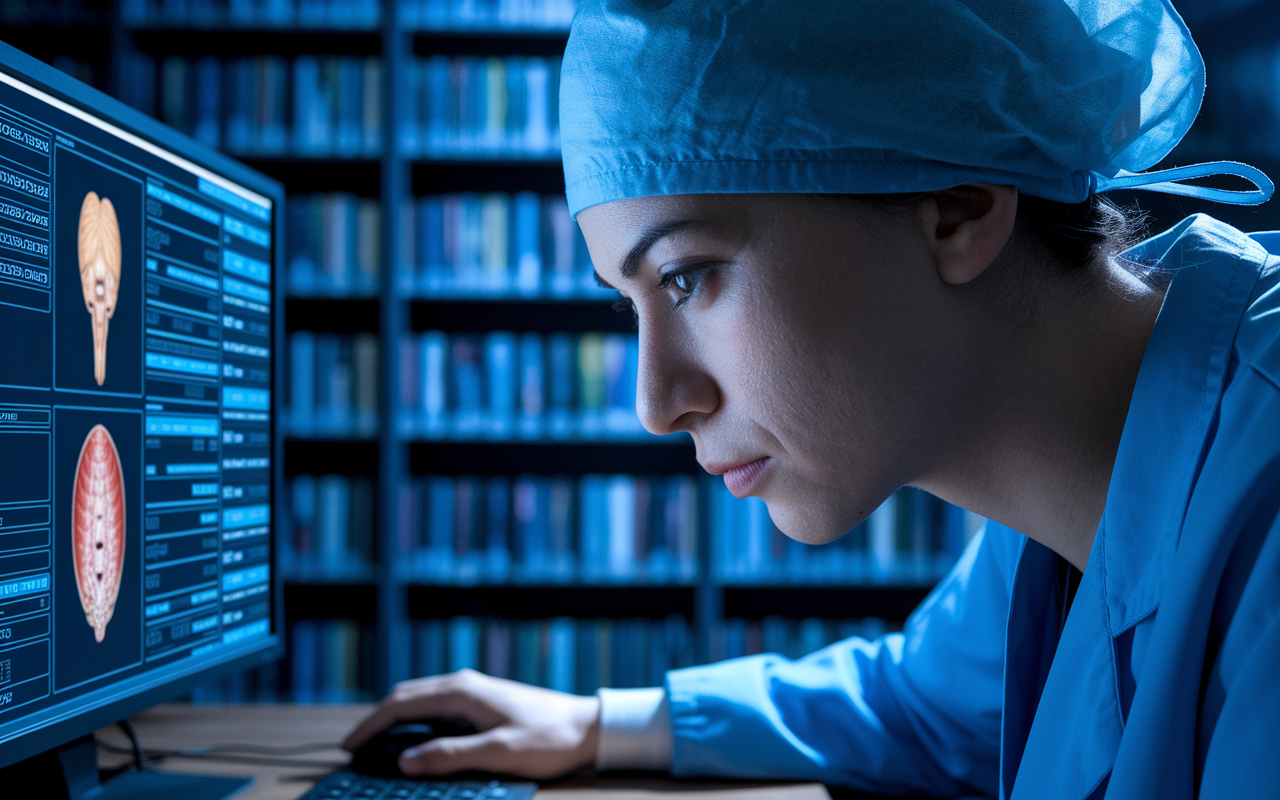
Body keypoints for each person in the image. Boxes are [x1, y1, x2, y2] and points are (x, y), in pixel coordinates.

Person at [346, 1, 1280, 797]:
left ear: (957, 203)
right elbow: (916, 703)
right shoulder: (1079, 469)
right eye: (630, 302)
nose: (656, 402)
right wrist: (601, 724)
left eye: (686, 277)